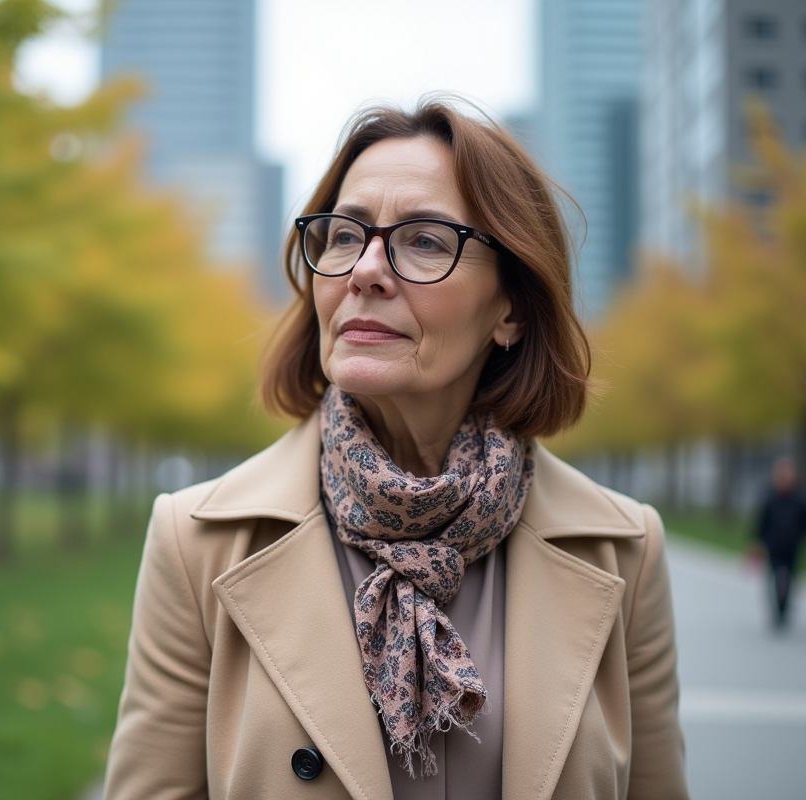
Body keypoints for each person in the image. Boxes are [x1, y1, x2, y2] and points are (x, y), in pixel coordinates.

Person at [104, 100, 688, 799]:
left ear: (511, 310)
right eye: (345, 236)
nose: (365, 270)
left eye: (425, 242)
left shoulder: (624, 549)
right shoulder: (195, 541)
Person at [754, 456, 806, 629]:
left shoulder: (799, 499)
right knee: (775, 577)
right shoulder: (770, 498)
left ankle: (785, 608)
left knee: (790, 578)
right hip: (774, 545)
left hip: (792, 546)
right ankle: (776, 609)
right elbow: (762, 522)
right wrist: (756, 542)